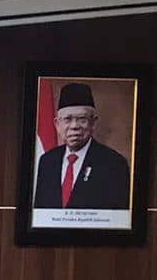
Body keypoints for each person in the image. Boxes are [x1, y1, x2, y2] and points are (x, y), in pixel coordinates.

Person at [33, 83, 133, 211]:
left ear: (93, 122)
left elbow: (119, 216)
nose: (74, 126)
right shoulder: (47, 161)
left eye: (82, 119)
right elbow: (40, 210)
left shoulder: (114, 164)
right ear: (57, 124)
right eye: (68, 119)